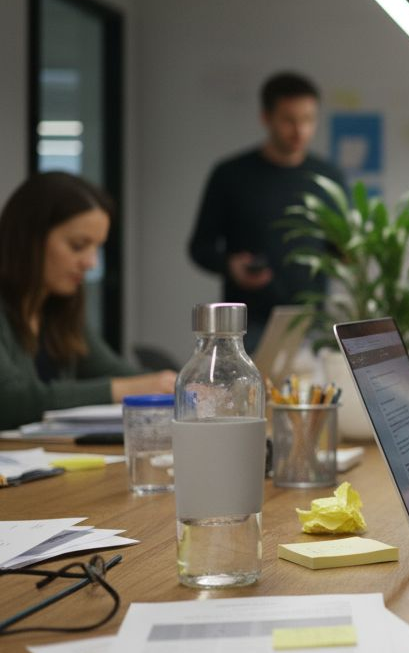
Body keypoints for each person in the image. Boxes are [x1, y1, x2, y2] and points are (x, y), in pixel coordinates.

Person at [0, 173, 176, 431]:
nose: (91, 263)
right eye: (78, 245)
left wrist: (184, 384)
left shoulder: (58, 307)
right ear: (30, 237)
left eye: (96, 248)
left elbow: (110, 369)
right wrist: (129, 388)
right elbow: (10, 401)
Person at [188, 72, 347, 350]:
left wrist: (350, 255)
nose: (300, 131)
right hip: (248, 324)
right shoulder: (231, 174)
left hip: (312, 320)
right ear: (266, 118)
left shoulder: (328, 177)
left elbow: (341, 248)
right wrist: (231, 266)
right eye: (289, 120)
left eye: (309, 120)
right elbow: (199, 247)